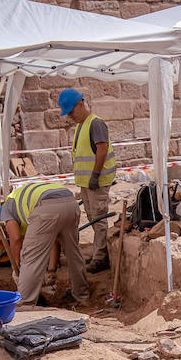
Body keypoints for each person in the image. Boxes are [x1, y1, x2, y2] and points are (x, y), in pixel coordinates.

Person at [0, 181, 90, 307]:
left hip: (45, 207)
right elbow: (54, 240)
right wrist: (51, 270)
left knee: (31, 259)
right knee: (73, 253)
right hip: (70, 203)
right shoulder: (23, 197)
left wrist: (17, 263)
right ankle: (82, 295)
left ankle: (26, 304)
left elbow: (16, 238)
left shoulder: (6, 209)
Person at [59, 89, 116, 274]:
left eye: (71, 112)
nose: (70, 117)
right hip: (87, 182)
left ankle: (101, 257)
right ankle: (100, 252)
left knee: (99, 219)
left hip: (96, 181)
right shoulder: (82, 125)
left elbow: (102, 149)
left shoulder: (96, 124)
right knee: (93, 218)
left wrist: (95, 175)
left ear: (80, 104)